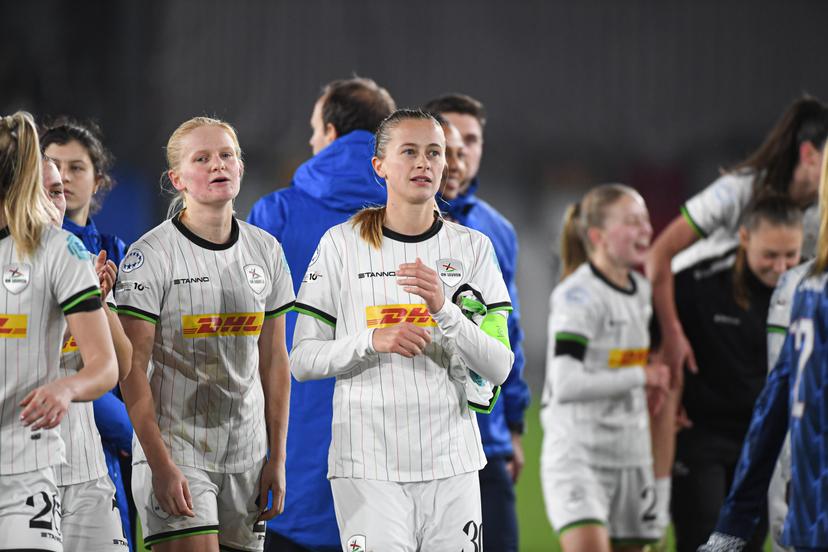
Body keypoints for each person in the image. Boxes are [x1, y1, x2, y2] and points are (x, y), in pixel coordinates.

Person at [290, 109, 514, 551]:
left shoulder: (474, 248)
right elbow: (301, 360)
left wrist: (444, 310)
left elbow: (499, 366)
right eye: (409, 152)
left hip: (453, 465)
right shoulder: (341, 244)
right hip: (367, 466)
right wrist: (371, 341)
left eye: (434, 153)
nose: (423, 163)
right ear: (380, 166)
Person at [116, 116, 294, 551]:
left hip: (247, 457)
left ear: (240, 166)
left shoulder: (266, 250)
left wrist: (277, 458)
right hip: (178, 452)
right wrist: (159, 465)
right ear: (177, 179)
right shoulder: (150, 255)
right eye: (202, 158)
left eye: (226, 155)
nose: (218, 164)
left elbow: (275, 361)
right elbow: (132, 370)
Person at [645, 96, 828, 520]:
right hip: (694, 317)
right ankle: (650, 507)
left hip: (749, 334)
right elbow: (660, 256)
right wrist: (671, 334)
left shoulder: (820, 215)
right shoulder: (741, 190)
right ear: (808, 155)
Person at [247, 76, 394, 552]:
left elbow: (243, 332)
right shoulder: (418, 218)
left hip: (292, 451)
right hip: (391, 458)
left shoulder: (277, 214)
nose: (312, 142)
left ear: (330, 132)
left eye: (314, 130)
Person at [698, 143, 828, 552]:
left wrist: (733, 524)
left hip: (807, 520)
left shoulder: (809, 287)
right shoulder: (807, 288)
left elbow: (772, 411)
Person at [0, 111, 118, 551]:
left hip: (36, 467)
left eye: (60, 190)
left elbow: (112, 366)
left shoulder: (64, 253)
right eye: (48, 188)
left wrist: (66, 389)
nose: (57, 198)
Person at [424, 93, 531, 552]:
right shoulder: (392, 224)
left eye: (470, 140)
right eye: (447, 142)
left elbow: (510, 334)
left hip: (487, 437)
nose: (459, 153)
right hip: (420, 434)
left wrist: (513, 428)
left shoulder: (497, 230)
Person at [669, 196, 803, 552]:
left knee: (746, 546)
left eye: (790, 255)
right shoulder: (699, 283)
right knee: (703, 541)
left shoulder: (809, 291)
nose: (781, 267)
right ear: (744, 237)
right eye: (770, 255)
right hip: (702, 439)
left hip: (765, 445)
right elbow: (657, 332)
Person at [541, 184, 670, 552]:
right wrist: (641, 376)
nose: (646, 230)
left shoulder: (643, 292)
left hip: (632, 457)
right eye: (632, 221)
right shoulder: (577, 296)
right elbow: (566, 383)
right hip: (579, 456)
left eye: (645, 220)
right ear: (597, 236)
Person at [41, 117, 136, 550]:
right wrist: (127, 429)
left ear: (99, 180)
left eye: (75, 168)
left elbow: (126, 362)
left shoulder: (114, 255)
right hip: (36, 450)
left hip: (95, 454)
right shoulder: (14, 263)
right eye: (52, 170)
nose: (62, 179)